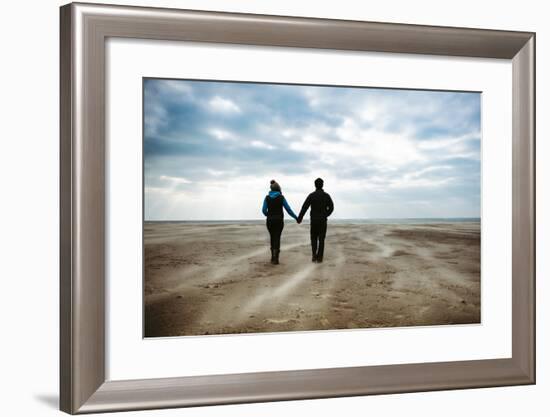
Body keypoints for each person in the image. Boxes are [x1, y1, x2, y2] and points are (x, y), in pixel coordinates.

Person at [262, 180, 299, 265]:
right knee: (277, 237)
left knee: (272, 237)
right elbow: (288, 210)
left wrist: (268, 215)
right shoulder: (281, 197)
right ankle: (276, 258)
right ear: (278, 189)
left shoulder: (267, 198)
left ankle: (272, 257)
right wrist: (296, 218)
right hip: (279, 221)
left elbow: (263, 210)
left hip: (270, 221)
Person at [297, 178, 334, 263]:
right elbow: (331, 208)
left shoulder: (311, 195)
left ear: (315, 185)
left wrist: (300, 218)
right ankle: (320, 258)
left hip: (314, 221)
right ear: (322, 185)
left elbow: (304, 207)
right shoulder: (326, 196)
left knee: (313, 238)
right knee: (321, 239)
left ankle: (314, 255)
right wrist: (326, 214)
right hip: (322, 221)